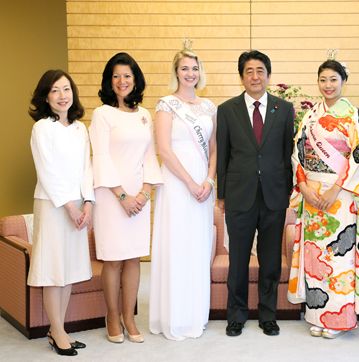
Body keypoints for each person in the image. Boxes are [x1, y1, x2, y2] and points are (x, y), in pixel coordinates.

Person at [288, 58, 359, 339]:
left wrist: (336, 189)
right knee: (316, 256)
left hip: (342, 195)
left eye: (333, 80)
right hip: (313, 195)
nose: (328, 85)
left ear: (343, 81)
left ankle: (339, 319)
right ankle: (317, 314)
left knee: (339, 257)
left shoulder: (352, 115)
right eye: (323, 79)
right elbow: (298, 153)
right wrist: (304, 186)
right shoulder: (311, 116)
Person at [216, 50, 294, 337]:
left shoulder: (284, 109)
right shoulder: (226, 110)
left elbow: (288, 154)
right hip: (240, 195)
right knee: (238, 259)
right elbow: (223, 155)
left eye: (260, 70)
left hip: (274, 195)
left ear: (268, 76)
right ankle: (236, 314)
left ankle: (267, 314)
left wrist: (287, 191)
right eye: (249, 71)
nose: (255, 76)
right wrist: (222, 194)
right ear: (241, 77)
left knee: (271, 259)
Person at [89, 52, 162, 344]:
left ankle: (130, 316)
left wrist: (144, 192)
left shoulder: (144, 115)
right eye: (116, 76)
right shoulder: (102, 114)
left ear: (136, 80)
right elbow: (101, 157)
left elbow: (150, 156)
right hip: (111, 196)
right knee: (114, 260)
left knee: (134, 258)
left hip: (140, 198)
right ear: (110, 80)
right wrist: (122, 196)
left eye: (127, 76)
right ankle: (112, 315)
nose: (122, 81)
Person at [149, 44, 217, 340]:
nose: (190, 73)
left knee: (198, 248)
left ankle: (195, 315)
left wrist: (209, 181)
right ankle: (174, 317)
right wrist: (190, 183)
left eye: (194, 68)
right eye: (184, 68)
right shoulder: (166, 105)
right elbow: (163, 149)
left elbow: (214, 149)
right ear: (176, 72)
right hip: (178, 186)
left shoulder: (209, 107)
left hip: (203, 188)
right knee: (177, 247)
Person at [27, 69, 94, 356]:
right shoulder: (42, 128)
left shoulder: (80, 128)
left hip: (78, 208)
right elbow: (47, 171)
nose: (62, 95)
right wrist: (69, 206)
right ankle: (56, 330)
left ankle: (59, 329)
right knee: (54, 269)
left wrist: (87, 203)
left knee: (69, 270)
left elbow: (86, 169)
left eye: (66, 89)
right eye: (55, 90)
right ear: (46, 96)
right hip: (55, 207)